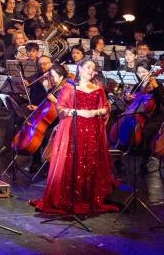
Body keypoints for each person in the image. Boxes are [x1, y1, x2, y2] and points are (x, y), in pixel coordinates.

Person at [30, 58, 117, 215]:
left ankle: (88, 197)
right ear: (80, 69)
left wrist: (96, 112)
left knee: (90, 162)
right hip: (74, 130)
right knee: (74, 161)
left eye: (93, 68)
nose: (91, 70)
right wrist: (78, 112)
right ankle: (71, 197)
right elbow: (61, 108)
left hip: (93, 131)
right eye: (88, 67)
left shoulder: (98, 89)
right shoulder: (70, 87)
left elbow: (105, 107)